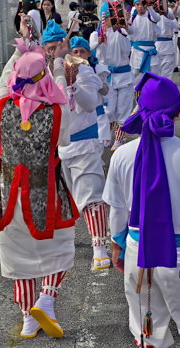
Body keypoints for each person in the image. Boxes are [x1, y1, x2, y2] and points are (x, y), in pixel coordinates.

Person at [104, 73, 180, 348]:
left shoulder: (121, 155)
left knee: (148, 328)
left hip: (138, 253)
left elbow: (117, 211)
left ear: (140, 107)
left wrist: (116, 246)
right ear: (178, 110)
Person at [0, 37, 79, 340]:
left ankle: (27, 318)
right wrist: (61, 73)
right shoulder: (57, 113)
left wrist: (18, 53)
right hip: (46, 196)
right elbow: (64, 140)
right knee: (62, 248)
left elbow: (2, 86)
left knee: (18, 260)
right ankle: (47, 299)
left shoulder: (1, 108)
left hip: (9, 198)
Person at [61, 36, 110, 271]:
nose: (53, 53)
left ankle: (100, 248)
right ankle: (63, 248)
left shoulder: (84, 70)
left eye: (56, 48)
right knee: (63, 201)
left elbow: (90, 104)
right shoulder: (47, 71)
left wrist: (73, 85)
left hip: (84, 144)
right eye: (49, 49)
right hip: (57, 149)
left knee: (91, 196)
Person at [91, 1, 134, 152]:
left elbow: (130, 35)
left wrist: (123, 26)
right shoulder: (96, 34)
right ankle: (107, 135)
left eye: (113, 17)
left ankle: (119, 139)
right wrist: (99, 40)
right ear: (103, 18)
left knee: (123, 109)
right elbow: (90, 47)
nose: (111, 20)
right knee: (108, 111)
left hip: (124, 77)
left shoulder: (121, 32)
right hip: (106, 78)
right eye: (108, 17)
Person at [129, 0, 160, 85]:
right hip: (137, 52)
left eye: (142, 4)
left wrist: (150, 6)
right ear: (135, 5)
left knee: (153, 77)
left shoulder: (151, 16)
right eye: (137, 4)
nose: (140, 6)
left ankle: (151, 98)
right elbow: (128, 32)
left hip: (150, 51)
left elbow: (157, 18)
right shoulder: (132, 18)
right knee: (136, 77)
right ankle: (137, 98)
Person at [155, 0, 179, 79]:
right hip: (166, 47)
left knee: (158, 72)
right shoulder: (164, 17)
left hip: (157, 46)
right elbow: (177, 27)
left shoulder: (154, 17)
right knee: (166, 73)